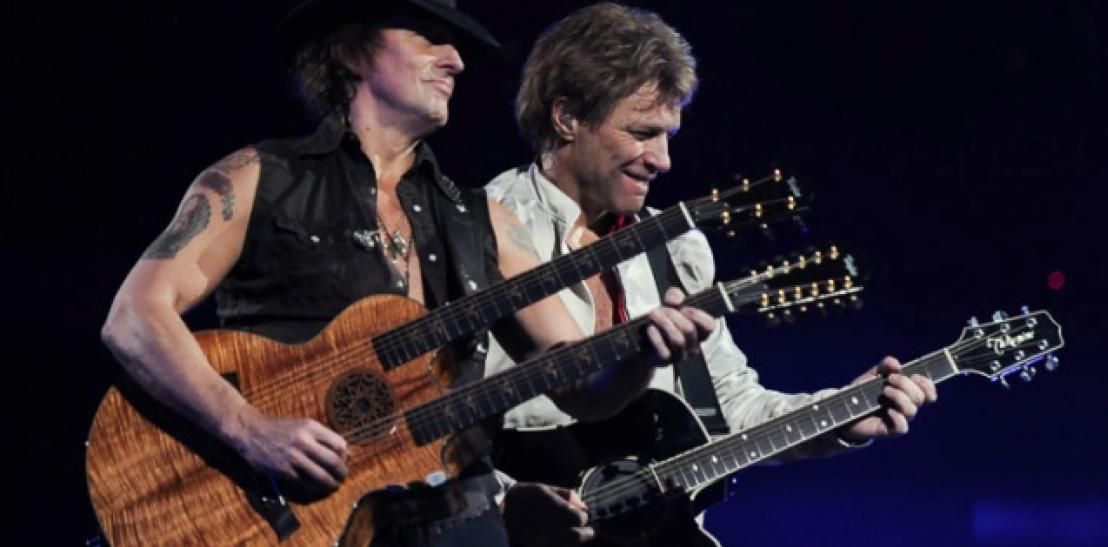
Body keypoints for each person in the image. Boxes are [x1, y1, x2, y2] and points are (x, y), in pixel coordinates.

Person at [98, 0, 712, 545]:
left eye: (457, 46)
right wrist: (247, 428)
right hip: (280, 517)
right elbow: (134, 318)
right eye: (429, 36)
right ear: (352, 51)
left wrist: (644, 352)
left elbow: (580, 384)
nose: (456, 60)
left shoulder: (482, 220)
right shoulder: (259, 178)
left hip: (453, 517)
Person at [482, 3, 939, 545]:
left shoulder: (677, 249)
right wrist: (504, 507)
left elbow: (731, 410)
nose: (663, 160)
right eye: (642, 132)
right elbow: (425, 437)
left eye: (668, 135)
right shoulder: (476, 232)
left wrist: (843, 416)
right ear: (566, 118)